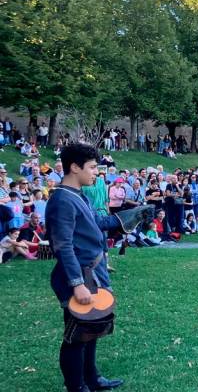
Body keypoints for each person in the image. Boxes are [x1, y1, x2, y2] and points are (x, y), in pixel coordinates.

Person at [47, 143, 145, 392]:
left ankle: (92, 378)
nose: (96, 173)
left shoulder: (79, 195)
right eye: (92, 168)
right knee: (75, 336)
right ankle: (76, 387)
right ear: (74, 167)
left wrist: (133, 214)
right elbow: (63, 245)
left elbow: (97, 222)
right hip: (80, 276)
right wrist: (77, 284)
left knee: (92, 329)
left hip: (95, 273)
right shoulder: (62, 200)